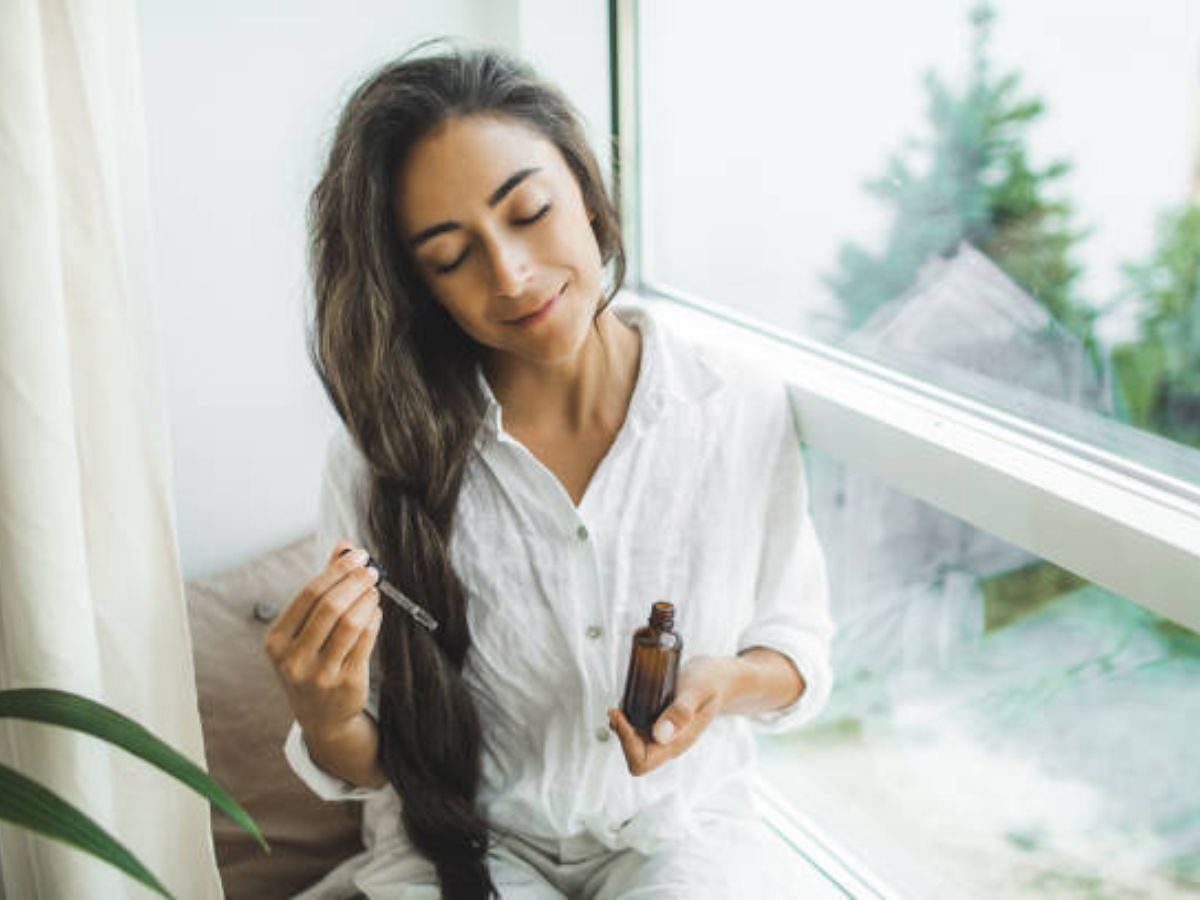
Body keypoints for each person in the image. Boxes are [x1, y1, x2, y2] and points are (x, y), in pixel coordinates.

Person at [263, 41, 834, 900]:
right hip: (461, 845)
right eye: (452, 257)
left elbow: (797, 651)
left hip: (680, 831)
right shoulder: (382, 457)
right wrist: (328, 712)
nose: (512, 275)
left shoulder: (734, 400)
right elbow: (376, 761)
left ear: (585, 187)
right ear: (421, 289)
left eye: (528, 210)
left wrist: (725, 683)